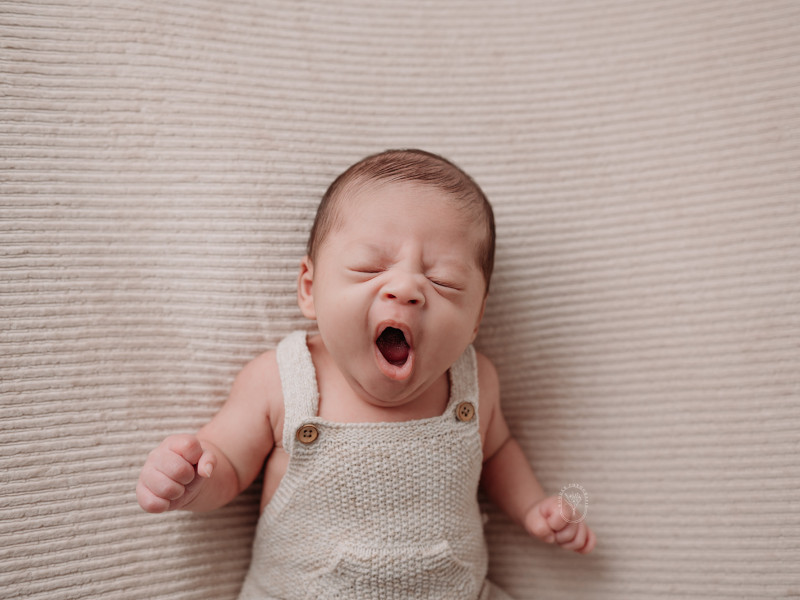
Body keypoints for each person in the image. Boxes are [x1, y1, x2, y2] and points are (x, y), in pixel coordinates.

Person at [137, 149, 596, 599]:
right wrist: (191, 481)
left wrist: (532, 506)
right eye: (370, 268)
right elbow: (229, 464)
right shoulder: (284, 380)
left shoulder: (475, 384)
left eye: (444, 281)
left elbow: (496, 453)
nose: (406, 287)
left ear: (476, 319)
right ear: (310, 289)